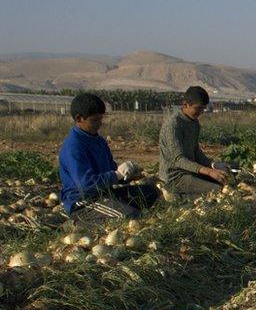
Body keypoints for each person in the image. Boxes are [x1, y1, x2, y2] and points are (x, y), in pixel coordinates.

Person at [58, 93, 159, 222]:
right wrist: (117, 174)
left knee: (151, 193)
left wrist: (127, 175)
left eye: (101, 119)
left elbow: (110, 170)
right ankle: (78, 222)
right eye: (95, 120)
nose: (100, 124)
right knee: (129, 217)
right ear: (79, 119)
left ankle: (115, 210)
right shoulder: (74, 146)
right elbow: (86, 184)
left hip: (106, 194)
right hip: (84, 202)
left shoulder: (98, 141)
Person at [158, 86, 230, 199]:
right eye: (198, 108)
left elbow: (195, 151)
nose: (201, 112)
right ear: (185, 104)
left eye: (203, 109)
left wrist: (213, 165)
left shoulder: (194, 123)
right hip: (175, 177)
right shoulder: (173, 126)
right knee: (218, 191)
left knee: (225, 182)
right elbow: (179, 160)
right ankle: (173, 195)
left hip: (190, 172)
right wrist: (209, 172)